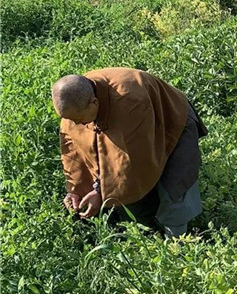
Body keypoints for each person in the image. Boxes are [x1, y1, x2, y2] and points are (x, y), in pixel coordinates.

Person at [52, 67, 208, 238]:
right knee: (127, 195)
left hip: (171, 121)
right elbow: (74, 153)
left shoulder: (130, 101)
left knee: (174, 186)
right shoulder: (73, 105)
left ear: (94, 102)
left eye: (79, 119)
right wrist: (75, 190)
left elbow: (132, 161)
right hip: (129, 125)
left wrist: (100, 191)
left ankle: (177, 246)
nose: (76, 124)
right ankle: (146, 234)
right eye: (70, 120)